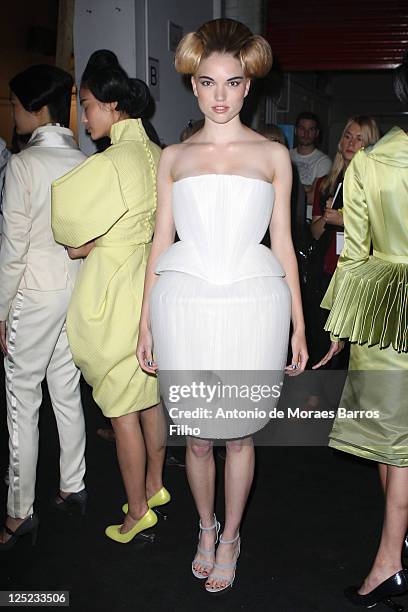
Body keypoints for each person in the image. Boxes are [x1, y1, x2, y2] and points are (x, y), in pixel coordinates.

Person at [136, 18, 308, 593]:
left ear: (247, 86)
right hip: (183, 304)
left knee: (238, 435)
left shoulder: (273, 156)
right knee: (198, 437)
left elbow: (283, 243)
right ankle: (204, 529)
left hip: (252, 304)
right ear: (193, 85)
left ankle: (232, 535)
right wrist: (145, 322)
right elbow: (160, 242)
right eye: (208, 82)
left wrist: (298, 327)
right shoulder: (173, 158)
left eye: (232, 83)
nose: (219, 95)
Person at [51, 50, 169, 543]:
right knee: (148, 396)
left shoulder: (113, 161)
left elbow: (66, 224)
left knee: (121, 409)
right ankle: (157, 486)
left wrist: (88, 243)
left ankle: (138, 509)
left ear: (112, 106)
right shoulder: (157, 153)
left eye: (88, 105)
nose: (83, 116)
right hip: (152, 281)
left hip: (115, 288)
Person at [314, 53, 408, 608]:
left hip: (386, 311)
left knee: (392, 443)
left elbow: (357, 254)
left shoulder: (374, 162)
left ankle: (389, 564)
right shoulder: (371, 160)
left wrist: (341, 327)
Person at [0, 65, 87, 549]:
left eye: (14, 105)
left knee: (21, 401)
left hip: (33, 294)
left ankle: (19, 512)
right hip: (72, 288)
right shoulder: (81, 159)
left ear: (36, 109)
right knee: (66, 392)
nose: (12, 114)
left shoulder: (23, 164)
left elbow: (12, 248)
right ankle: (73, 485)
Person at [308, 116, 380, 366]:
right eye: (348, 136)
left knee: (354, 347)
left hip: (360, 275)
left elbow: (384, 232)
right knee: (321, 337)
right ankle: (318, 398)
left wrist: (345, 220)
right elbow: (316, 233)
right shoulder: (325, 183)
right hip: (327, 272)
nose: (351, 142)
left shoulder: (377, 185)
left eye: (360, 138)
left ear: (369, 145)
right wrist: (328, 219)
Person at [290, 111, 331, 206]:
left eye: (311, 129)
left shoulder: (324, 162)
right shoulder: (286, 155)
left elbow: (313, 198)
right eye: (302, 128)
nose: (306, 133)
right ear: (296, 130)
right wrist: (307, 188)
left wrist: (289, 189)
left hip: (309, 219)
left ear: (317, 133)